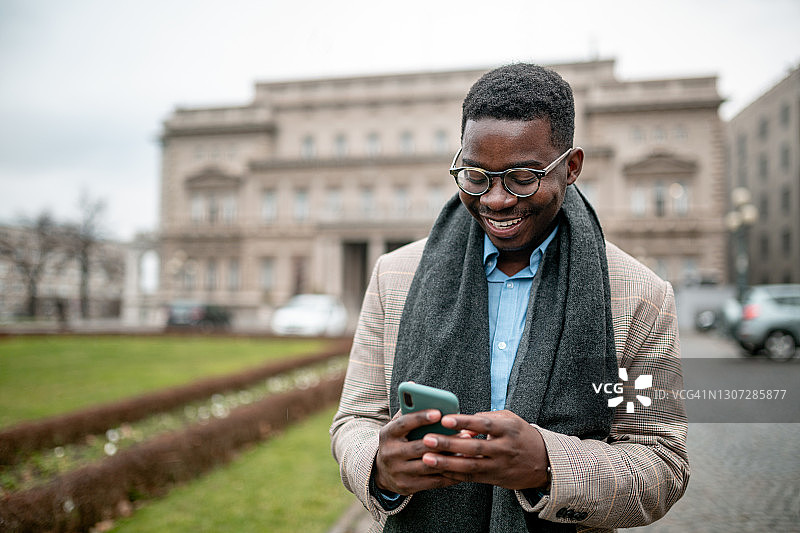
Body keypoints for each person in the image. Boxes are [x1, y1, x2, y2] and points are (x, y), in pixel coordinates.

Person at [330, 63, 688, 533]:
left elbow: (662, 464)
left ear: (572, 167)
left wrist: (546, 465)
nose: (496, 200)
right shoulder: (394, 276)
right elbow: (355, 419)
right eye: (476, 177)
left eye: (522, 177)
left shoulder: (642, 297)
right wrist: (379, 466)